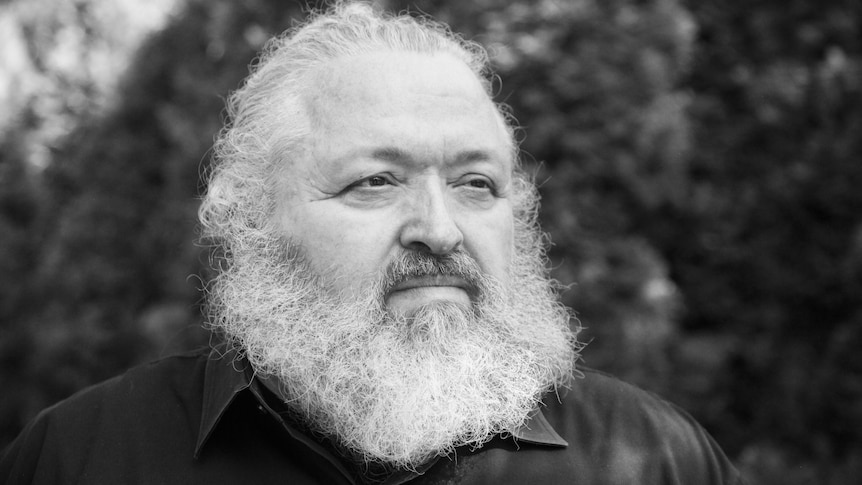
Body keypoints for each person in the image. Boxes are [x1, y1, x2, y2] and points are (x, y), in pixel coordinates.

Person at [0, 2, 744, 484]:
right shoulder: (81, 456)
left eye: (476, 183)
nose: (440, 227)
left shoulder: (654, 458)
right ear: (254, 219)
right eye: (376, 181)